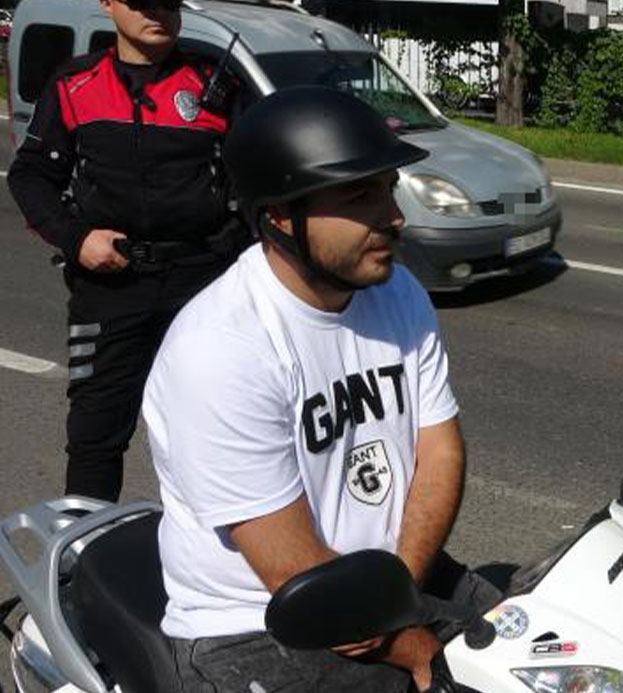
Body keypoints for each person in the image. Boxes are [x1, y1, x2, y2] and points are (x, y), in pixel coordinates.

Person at [142, 86, 499, 692]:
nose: (393, 216)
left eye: (387, 188)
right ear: (280, 217)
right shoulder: (221, 349)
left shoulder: (398, 292)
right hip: (257, 625)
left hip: (386, 579)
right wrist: (412, 645)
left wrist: (399, 591)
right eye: (360, 196)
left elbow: (440, 449)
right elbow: (286, 563)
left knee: (546, 645)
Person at [7, 0, 247, 502]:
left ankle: (214, 566)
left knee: (215, 431)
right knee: (95, 437)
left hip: (203, 283)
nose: (158, 12)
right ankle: (86, 563)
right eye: (142, 2)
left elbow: (258, 178)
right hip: (111, 284)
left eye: (168, 1)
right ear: (108, 4)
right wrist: (76, 239)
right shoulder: (74, 84)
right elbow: (31, 177)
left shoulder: (215, 83)